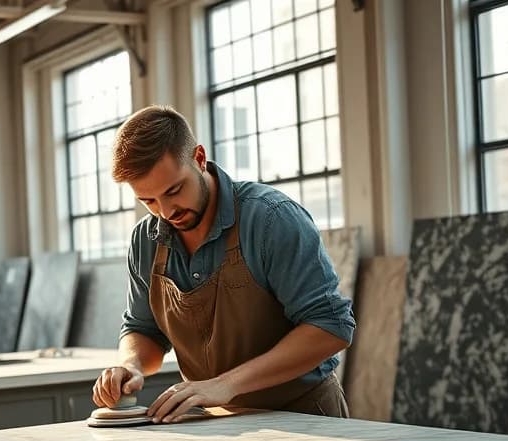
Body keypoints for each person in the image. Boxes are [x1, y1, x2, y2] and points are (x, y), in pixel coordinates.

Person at [91, 105, 354, 421]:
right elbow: (142, 328)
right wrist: (130, 364)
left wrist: (225, 385)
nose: (165, 212)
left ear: (199, 158)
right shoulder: (145, 241)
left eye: (174, 190)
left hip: (304, 416)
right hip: (215, 420)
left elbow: (331, 327)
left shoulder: (271, 220)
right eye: (148, 201)